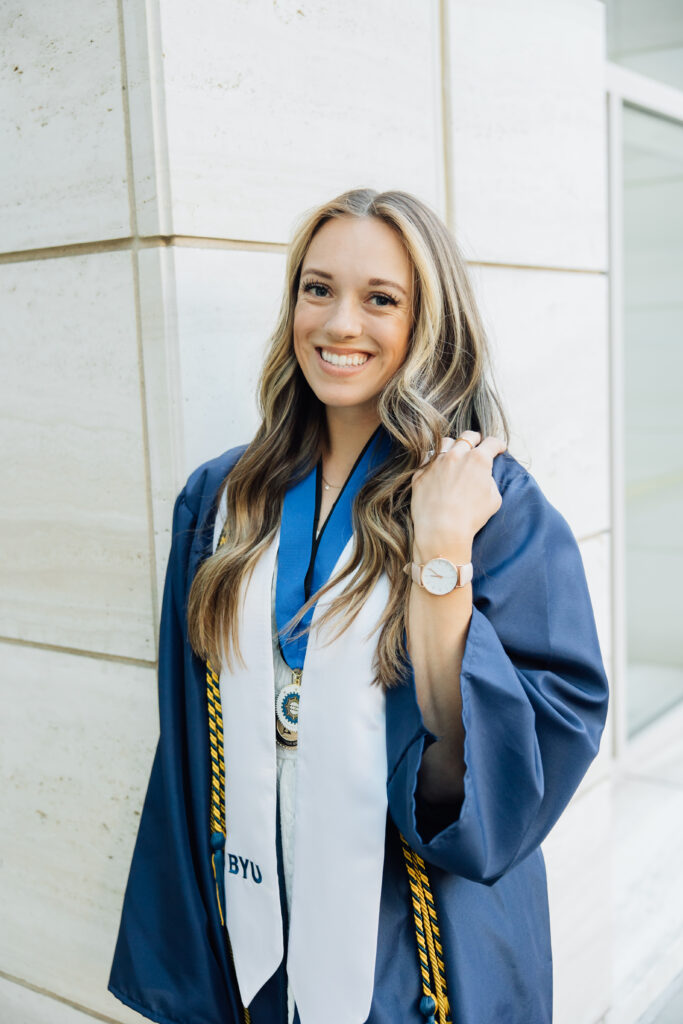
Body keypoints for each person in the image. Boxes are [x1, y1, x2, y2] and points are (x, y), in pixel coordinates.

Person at [108, 188, 610, 1024]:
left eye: (381, 298)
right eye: (317, 289)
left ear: (429, 324)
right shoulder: (223, 497)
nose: (340, 323)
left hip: (412, 941)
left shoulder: (489, 502)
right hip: (255, 917)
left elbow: (517, 766)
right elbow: (188, 738)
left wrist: (442, 557)